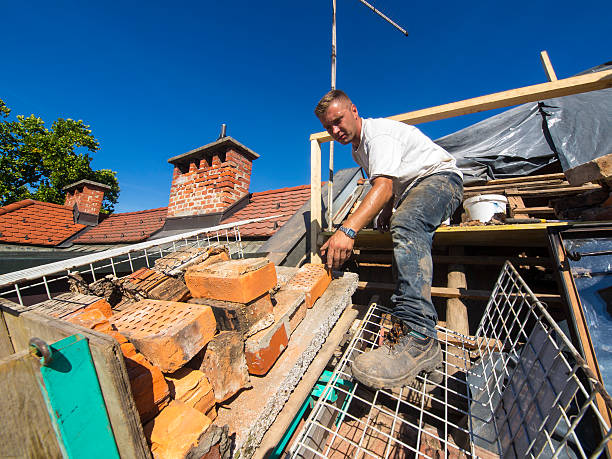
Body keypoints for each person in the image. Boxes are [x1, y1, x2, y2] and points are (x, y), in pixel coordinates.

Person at [315, 89, 463, 389]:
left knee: (407, 223)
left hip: (442, 181)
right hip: (411, 191)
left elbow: (383, 186)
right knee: (398, 224)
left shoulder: (378, 136)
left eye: (338, 120)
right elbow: (390, 186)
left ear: (353, 110)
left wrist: (347, 230)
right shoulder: (359, 150)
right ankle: (409, 327)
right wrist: (386, 210)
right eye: (328, 128)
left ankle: (420, 335)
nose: (334, 131)